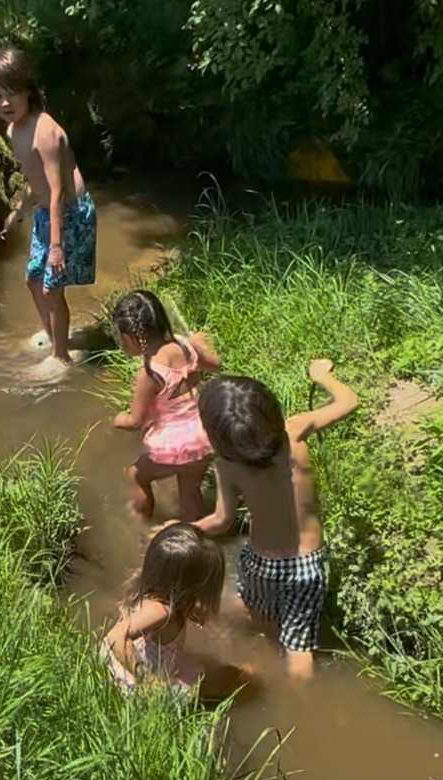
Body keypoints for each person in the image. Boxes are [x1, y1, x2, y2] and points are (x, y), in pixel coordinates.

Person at [193, 359, 358, 679]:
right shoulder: (295, 431)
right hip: (306, 565)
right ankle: (303, 710)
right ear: (271, 412)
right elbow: (349, 402)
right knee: (300, 648)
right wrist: (323, 377)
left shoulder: (227, 466)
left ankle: (265, 655)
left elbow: (222, 520)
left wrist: (185, 528)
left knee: (264, 619)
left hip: (260, 563)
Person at [0, 46, 96, 365]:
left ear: (29, 92)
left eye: (12, 93)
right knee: (33, 280)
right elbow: (37, 182)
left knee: (51, 289)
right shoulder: (13, 130)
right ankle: (55, 337)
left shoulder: (44, 132)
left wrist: (57, 246)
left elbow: (58, 191)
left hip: (70, 214)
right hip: (47, 213)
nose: (4, 103)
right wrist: (19, 210)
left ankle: (61, 357)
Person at [112, 290, 220, 521]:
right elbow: (216, 364)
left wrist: (119, 419)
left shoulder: (149, 372)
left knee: (135, 477)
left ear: (131, 339)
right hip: (203, 436)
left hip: (175, 446)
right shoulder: (184, 344)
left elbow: (136, 421)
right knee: (189, 491)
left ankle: (143, 531)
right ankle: (199, 539)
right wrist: (200, 343)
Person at [102, 522, 224, 695]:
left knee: (197, 667)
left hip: (124, 663)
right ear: (192, 586)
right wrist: (147, 680)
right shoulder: (161, 611)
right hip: (127, 680)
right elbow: (115, 637)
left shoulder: (152, 590)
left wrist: (187, 611)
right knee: (197, 679)